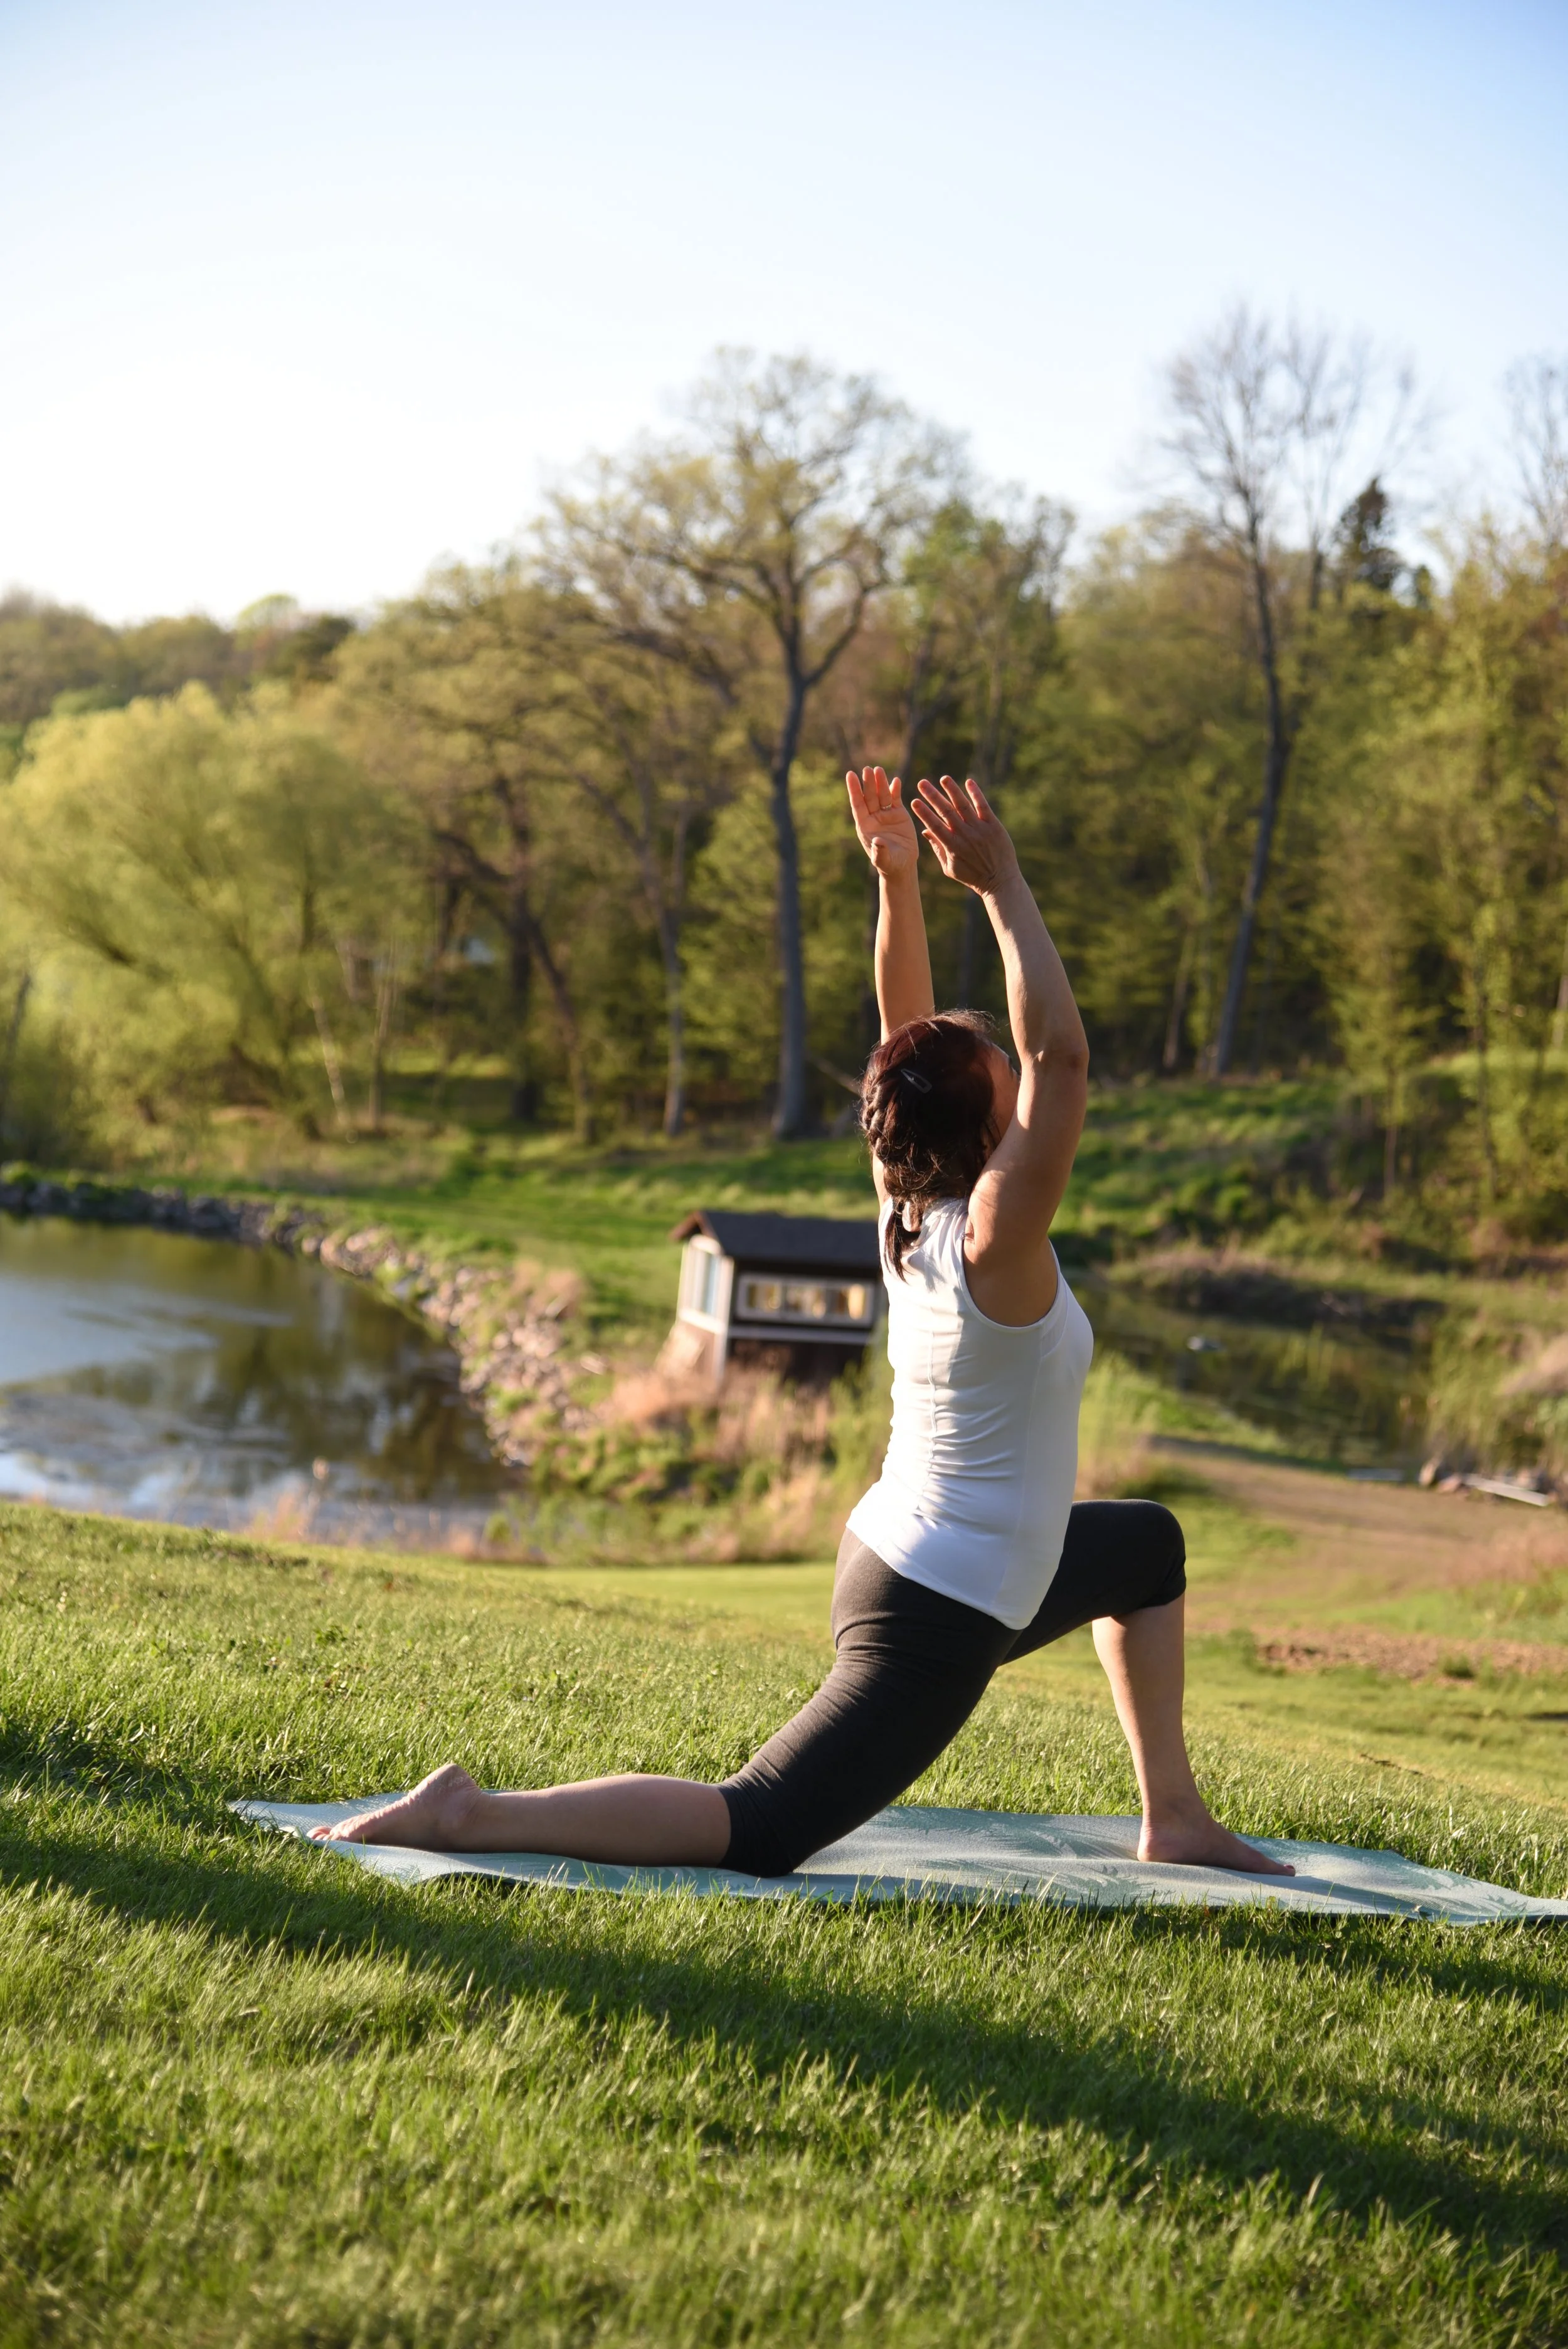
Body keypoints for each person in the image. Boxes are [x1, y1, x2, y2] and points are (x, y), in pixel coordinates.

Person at [318, 768, 1291, 1881]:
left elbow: (900, 1026)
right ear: (989, 1126)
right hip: (940, 1601)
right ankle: (470, 1816)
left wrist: (895, 882)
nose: (1021, 1078)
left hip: (932, 1552)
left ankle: (1175, 1817)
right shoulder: (992, 1238)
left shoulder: (906, 1197)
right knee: (766, 1823)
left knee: (1146, 1546)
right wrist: (1002, 884)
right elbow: (1064, 1057)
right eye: (998, 1071)